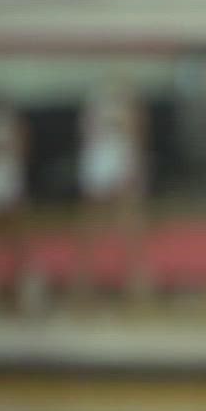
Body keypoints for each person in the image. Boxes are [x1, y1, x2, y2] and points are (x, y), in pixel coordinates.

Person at [76, 78, 150, 300]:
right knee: (93, 218)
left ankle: (136, 274)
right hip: (100, 158)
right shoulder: (94, 98)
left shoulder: (127, 96)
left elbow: (137, 130)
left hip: (121, 156)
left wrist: (133, 164)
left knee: (129, 218)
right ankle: (84, 274)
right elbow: (87, 133)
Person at [0, 96, 28, 307]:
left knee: (13, 239)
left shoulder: (13, 126)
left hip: (7, 180)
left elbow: (21, 148)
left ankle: (16, 286)